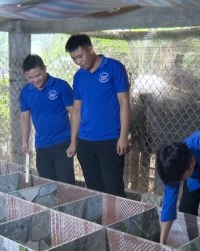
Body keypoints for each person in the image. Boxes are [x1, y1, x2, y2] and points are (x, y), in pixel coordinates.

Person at [64, 34, 130, 197]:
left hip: (110, 140)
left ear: (90, 50)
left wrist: (123, 137)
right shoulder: (78, 76)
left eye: (80, 56)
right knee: (94, 189)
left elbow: (124, 104)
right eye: (74, 59)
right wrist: (73, 142)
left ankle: (118, 222)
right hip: (86, 142)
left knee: (113, 188)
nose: (78, 62)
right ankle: (100, 222)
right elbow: (77, 110)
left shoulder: (114, 68)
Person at [19, 54, 75, 184]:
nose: (35, 80)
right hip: (42, 146)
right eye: (30, 77)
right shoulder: (25, 92)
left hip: (63, 144)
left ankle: (70, 204)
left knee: (66, 183)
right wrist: (24, 141)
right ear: (25, 75)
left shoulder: (61, 86)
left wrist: (73, 141)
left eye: (38, 75)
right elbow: (25, 118)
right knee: (47, 184)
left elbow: (74, 112)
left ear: (45, 68)